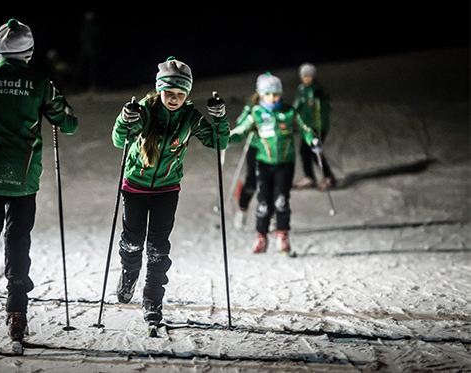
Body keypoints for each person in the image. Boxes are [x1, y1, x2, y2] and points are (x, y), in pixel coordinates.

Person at [0, 19, 79, 351]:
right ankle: (17, 312)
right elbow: (69, 123)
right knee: (18, 242)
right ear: (29, 51)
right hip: (24, 181)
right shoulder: (40, 82)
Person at [112, 57, 229, 325]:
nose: (174, 99)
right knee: (132, 243)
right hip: (135, 186)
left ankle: (153, 301)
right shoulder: (143, 110)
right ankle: (129, 275)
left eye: (180, 94)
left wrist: (219, 118)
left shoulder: (189, 117)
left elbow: (218, 141)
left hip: (167, 189)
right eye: (169, 93)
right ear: (159, 90)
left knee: (158, 248)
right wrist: (124, 119)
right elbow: (120, 139)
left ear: (186, 94)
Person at [229, 72, 320, 255]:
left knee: (281, 201)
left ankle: (282, 236)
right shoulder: (256, 112)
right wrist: (228, 138)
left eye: (276, 94)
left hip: (285, 164)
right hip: (263, 163)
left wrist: (312, 140)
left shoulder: (288, 112)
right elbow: (242, 129)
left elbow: (304, 128)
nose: (272, 98)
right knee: (264, 203)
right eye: (268, 94)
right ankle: (261, 237)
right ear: (261, 94)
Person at [293, 63, 335, 190]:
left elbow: (328, 106)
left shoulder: (318, 89)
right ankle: (309, 177)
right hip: (306, 127)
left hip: (318, 125)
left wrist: (320, 99)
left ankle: (328, 177)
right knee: (304, 152)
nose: (306, 79)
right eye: (304, 76)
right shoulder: (301, 90)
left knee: (315, 151)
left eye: (309, 76)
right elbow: (297, 106)